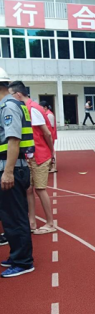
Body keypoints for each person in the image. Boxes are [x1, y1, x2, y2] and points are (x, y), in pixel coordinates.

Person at [8, 81, 56, 235]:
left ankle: (50, 223)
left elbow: (47, 133)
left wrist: (50, 152)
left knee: (40, 189)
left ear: (18, 94)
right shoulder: (25, 107)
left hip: (39, 155)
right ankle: (32, 221)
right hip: (30, 156)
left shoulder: (33, 108)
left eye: (11, 94)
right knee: (29, 189)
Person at [0, 69, 35, 277]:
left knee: (15, 217)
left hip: (11, 167)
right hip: (13, 166)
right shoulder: (9, 105)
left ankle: (23, 262)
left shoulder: (8, 107)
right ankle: (17, 256)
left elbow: (14, 140)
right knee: (10, 215)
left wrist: (8, 172)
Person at [39, 101, 57, 173]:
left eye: (41, 108)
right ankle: (49, 165)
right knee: (49, 150)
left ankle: (53, 166)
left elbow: (51, 126)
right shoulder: (45, 114)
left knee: (51, 150)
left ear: (45, 107)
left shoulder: (49, 115)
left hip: (50, 135)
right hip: (47, 134)